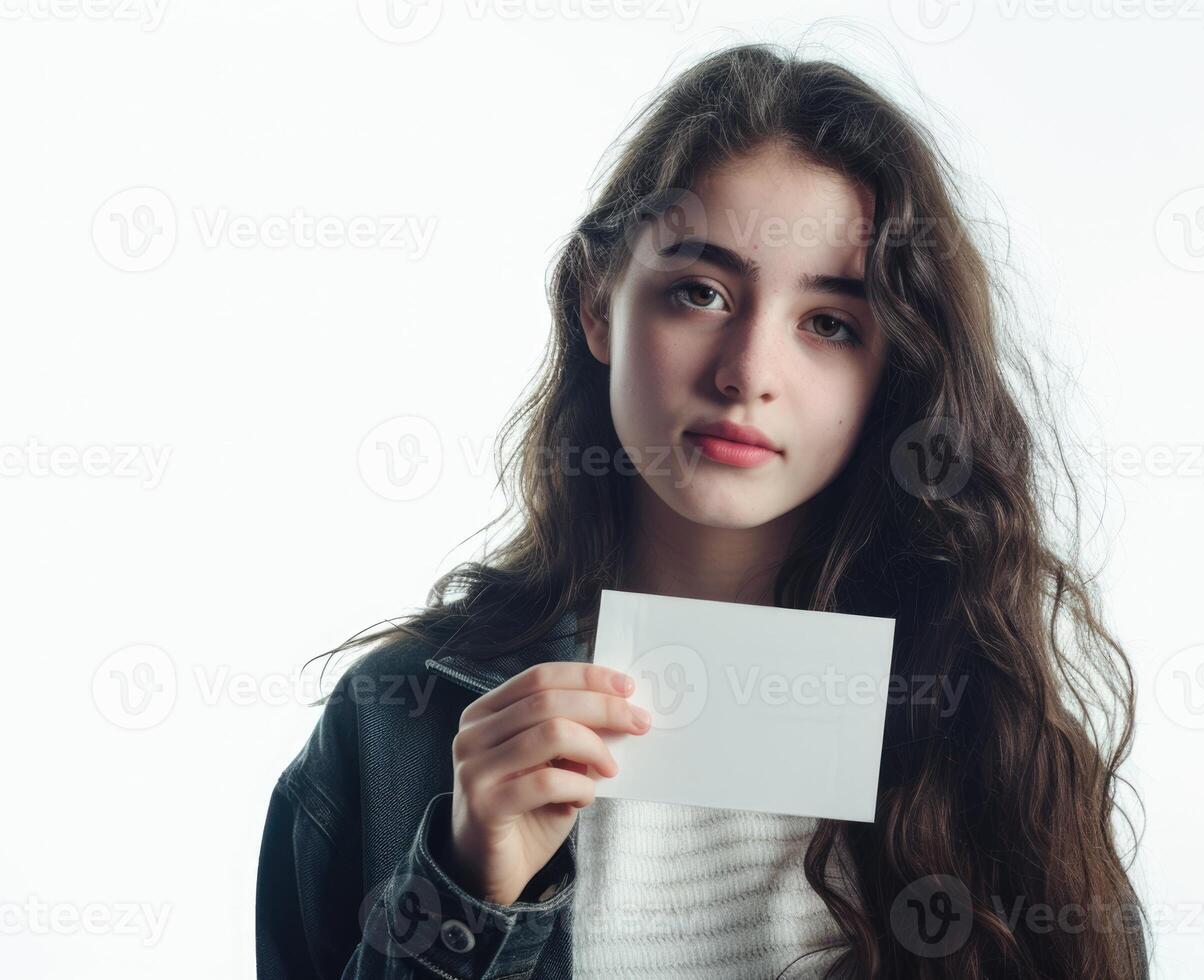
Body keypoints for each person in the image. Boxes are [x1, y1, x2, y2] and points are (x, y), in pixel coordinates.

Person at [256, 40, 1151, 980]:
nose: (748, 373)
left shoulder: (988, 731)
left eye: (829, 323)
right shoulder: (396, 723)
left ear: (894, 370)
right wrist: (467, 890)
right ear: (598, 305)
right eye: (701, 292)